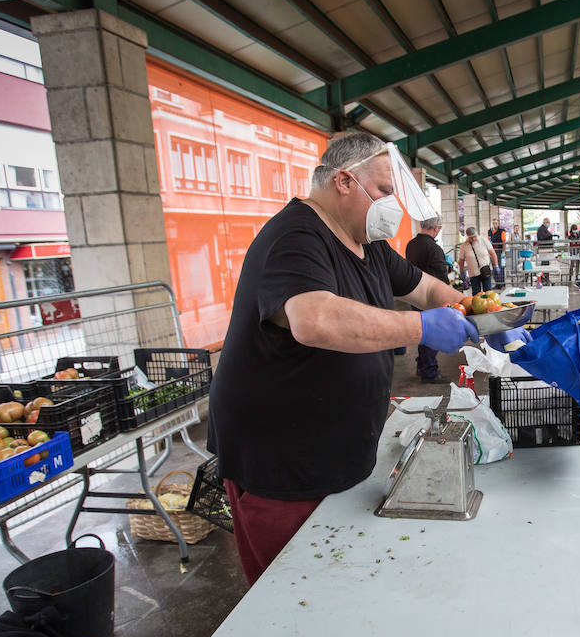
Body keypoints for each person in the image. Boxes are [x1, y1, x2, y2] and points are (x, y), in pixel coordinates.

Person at [206, 132, 526, 584]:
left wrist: (483, 314)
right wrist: (422, 327)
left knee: (335, 581)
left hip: (333, 451)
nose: (389, 207)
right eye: (383, 192)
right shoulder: (296, 237)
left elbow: (425, 288)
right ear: (343, 181)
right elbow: (315, 320)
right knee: (292, 591)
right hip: (282, 462)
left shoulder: (367, 244)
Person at [405, 217, 451, 384]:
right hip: (432, 298)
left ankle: (422, 366)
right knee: (434, 334)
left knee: (423, 332)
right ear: (436, 228)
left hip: (414, 295)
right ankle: (430, 371)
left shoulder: (411, 245)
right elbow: (441, 275)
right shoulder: (434, 247)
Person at [458, 227, 498, 294]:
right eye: (471, 238)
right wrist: (462, 272)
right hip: (473, 273)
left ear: (477, 234)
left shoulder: (483, 240)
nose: (473, 239)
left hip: (485, 270)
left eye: (474, 236)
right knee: (476, 294)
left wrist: (496, 265)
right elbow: (461, 261)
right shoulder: (464, 246)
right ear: (467, 237)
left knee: (488, 292)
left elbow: (493, 253)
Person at [488, 221, 509, 286]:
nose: (494, 224)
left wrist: (503, 251)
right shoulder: (489, 231)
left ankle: (501, 283)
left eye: (496, 223)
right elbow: (488, 240)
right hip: (492, 251)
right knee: (494, 267)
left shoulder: (502, 231)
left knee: (500, 267)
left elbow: (504, 241)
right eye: (493, 223)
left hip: (499, 251)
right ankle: (497, 283)